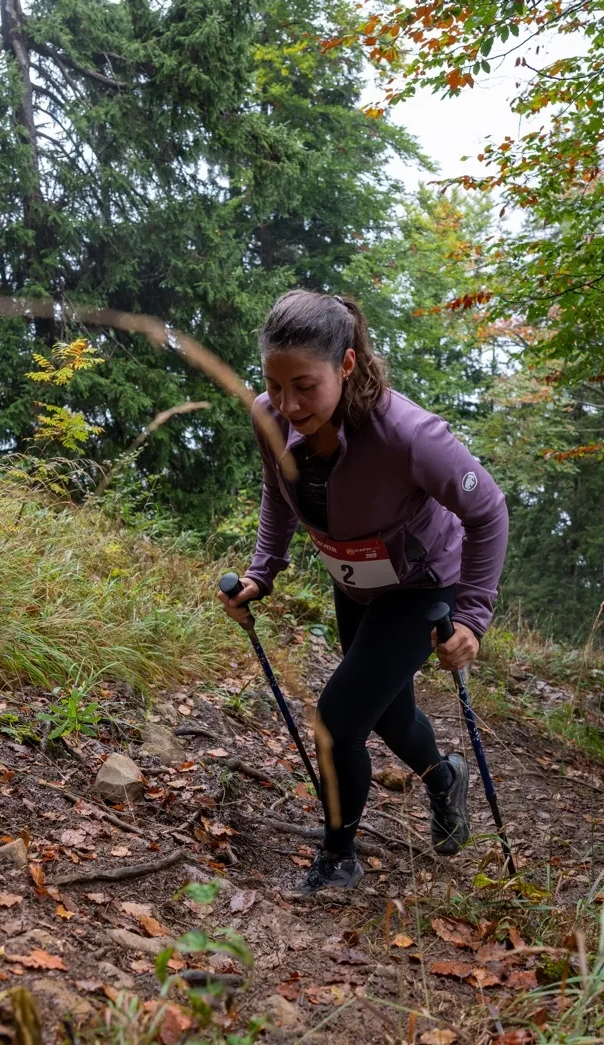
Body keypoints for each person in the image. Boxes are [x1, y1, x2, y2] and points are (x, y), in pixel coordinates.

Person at [217, 289, 510, 896]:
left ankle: (338, 857)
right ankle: (444, 777)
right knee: (389, 713)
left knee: (339, 719)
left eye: (305, 386)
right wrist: (261, 572)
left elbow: (488, 511)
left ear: (346, 364)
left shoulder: (409, 435)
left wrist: (472, 619)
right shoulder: (270, 416)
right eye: (274, 384)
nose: (288, 404)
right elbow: (278, 492)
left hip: (422, 585)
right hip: (354, 580)